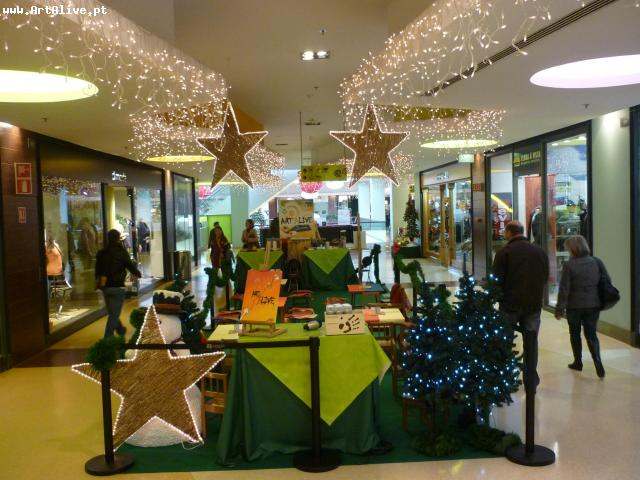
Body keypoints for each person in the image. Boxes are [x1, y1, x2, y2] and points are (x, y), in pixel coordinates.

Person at [492, 221, 549, 389]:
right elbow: (545, 276)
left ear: (509, 232)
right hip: (533, 305)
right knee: (531, 341)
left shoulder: (504, 252)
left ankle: (505, 378)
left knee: (505, 340)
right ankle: (531, 379)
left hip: (509, 305)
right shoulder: (539, 251)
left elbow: (496, 280)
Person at [554, 235, 607, 378]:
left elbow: (564, 289)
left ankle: (578, 362)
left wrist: (559, 309)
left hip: (574, 306)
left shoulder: (569, 265)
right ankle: (598, 363)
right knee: (591, 334)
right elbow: (604, 281)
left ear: (573, 249)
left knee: (575, 334)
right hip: (593, 304)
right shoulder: (596, 262)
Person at [95, 229, 142, 337]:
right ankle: (107, 339)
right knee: (114, 315)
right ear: (118, 238)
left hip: (105, 287)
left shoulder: (102, 252)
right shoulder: (121, 252)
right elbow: (130, 265)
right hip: (117, 286)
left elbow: (97, 270)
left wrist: (98, 281)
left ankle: (120, 329)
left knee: (113, 313)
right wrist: (137, 273)